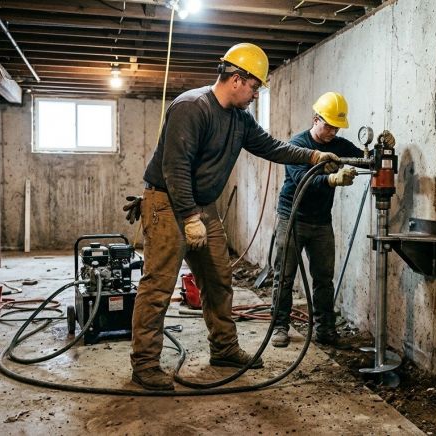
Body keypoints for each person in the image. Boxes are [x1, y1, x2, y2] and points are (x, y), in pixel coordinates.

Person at [124, 43, 341, 391]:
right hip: (167, 203)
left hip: (202, 206)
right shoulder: (191, 107)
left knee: (218, 280)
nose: (256, 93)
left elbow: (273, 147)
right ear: (237, 79)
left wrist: (314, 157)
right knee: (158, 286)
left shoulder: (240, 119)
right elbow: (175, 168)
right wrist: (190, 216)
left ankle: (223, 349)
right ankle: (145, 366)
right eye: (255, 86)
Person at [270, 92, 362, 349]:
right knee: (284, 276)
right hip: (292, 217)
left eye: (336, 126)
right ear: (315, 119)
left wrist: (378, 152)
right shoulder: (297, 145)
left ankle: (325, 329)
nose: (333, 131)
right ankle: (279, 327)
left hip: (321, 221)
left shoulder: (339, 145)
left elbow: (363, 159)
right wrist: (332, 179)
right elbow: (302, 180)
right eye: (329, 125)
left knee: (323, 277)